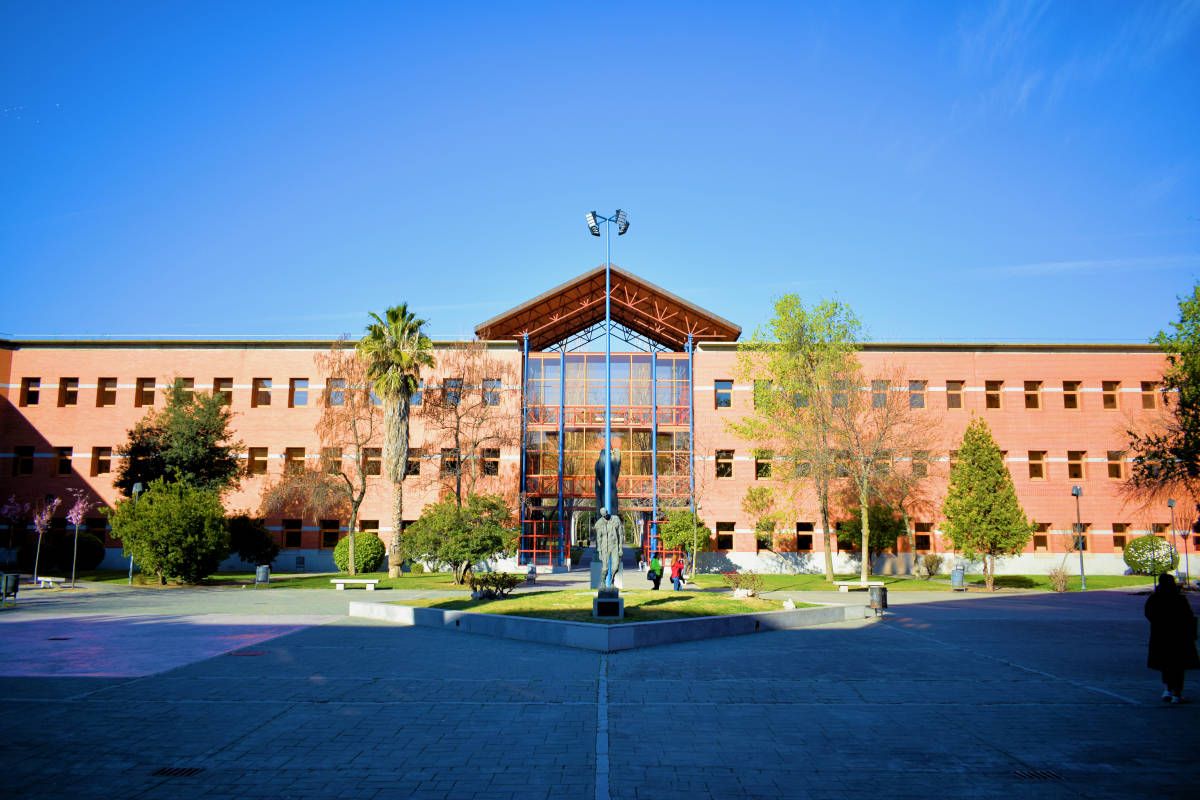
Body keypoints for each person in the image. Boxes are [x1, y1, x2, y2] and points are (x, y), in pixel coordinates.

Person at [1144, 573, 1199, 703]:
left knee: (1166, 665)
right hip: (1179, 637)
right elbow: (1188, 616)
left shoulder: (1155, 598)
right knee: (1178, 666)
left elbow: (1149, 614)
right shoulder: (1179, 599)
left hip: (1161, 636)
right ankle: (1177, 693)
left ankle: (1167, 690)